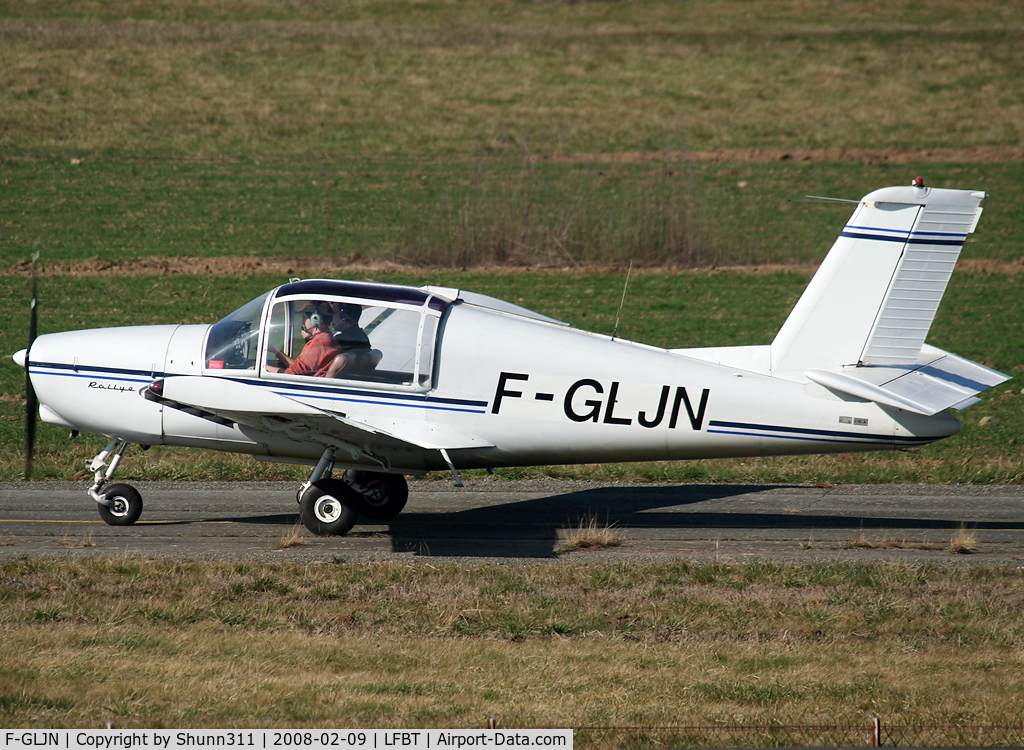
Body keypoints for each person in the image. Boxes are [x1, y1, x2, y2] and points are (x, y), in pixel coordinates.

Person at [266, 302, 340, 377]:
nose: (302, 322)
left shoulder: (318, 343)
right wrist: (275, 350)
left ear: (315, 319)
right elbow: (300, 367)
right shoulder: (326, 338)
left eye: (304, 317)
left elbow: (291, 375)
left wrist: (265, 368)